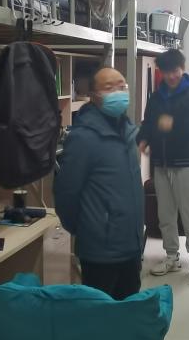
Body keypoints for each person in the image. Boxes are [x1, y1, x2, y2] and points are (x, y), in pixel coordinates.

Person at [55, 66, 145, 301]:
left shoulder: (129, 132)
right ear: (94, 96)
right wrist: (89, 230)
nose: (118, 92)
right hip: (100, 252)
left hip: (131, 245)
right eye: (109, 87)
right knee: (100, 315)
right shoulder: (83, 137)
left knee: (127, 312)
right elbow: (66, 194)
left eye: (122, 86)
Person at [138, 49, 189, 285]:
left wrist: (175, 123)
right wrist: (142, 140)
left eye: (175, 71)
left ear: (182, 68)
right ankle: (171, 256)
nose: (171, 76)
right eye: (166, 71)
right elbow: (148, 123)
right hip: (161, 165)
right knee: (165, 215)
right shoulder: (156, 97)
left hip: (186, 165)